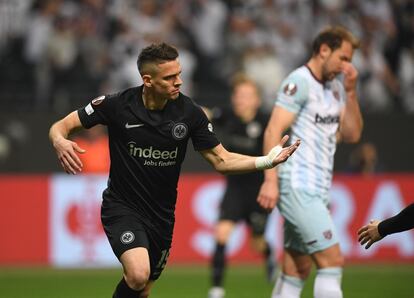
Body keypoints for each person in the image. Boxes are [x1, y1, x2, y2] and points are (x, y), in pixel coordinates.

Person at [48, 42, 300, 298]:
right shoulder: (116, 105)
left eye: (179, 74)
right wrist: (59, 140)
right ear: (148, 80)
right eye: (170, 77)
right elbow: (62, 126)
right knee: (137, 274)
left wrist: (266, 161)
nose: (179, 81)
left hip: (161, 217)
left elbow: (221, 160)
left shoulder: (190, 113)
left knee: (143, 289)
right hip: (122, 207)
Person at [257, 26, 363, 298]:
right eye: (343, 58)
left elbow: (351, 134)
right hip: (297, 184)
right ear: (324, 50)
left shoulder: (337, 88)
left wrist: (351, 93)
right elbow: (273, 130)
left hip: (318, 187)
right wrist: (270, 180)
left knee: (297, 268)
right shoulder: (299, 82)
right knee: (332, 261)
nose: (346, 67)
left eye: (349, 61)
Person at [205, 75, 275, 298]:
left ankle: (269, 255)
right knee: (222, 234)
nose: (240, 100)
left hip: (258, 190)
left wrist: (272, 184)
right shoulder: (228, 116)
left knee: (257, 243)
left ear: (256, 100)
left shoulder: (267, 123)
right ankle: (216, 289)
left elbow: (275, 156)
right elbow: (205, 114)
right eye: (237, 95)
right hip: (234, 188)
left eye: (246, 96)